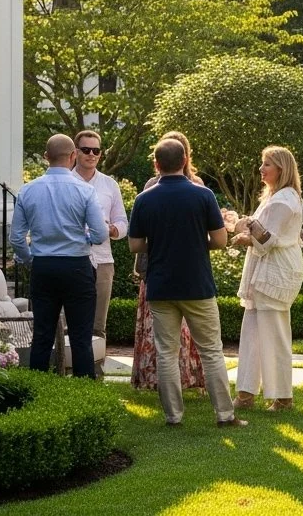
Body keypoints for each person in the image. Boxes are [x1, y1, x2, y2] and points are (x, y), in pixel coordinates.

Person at [127, 138, 245, 428]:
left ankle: (173, 416)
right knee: (211, 350)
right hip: (197, 284)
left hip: (161, 285)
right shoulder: (202, 195)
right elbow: (220, 240)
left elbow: (134, 245)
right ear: (184, 161)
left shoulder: (144, 199)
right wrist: (194, 241)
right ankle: (224, 414)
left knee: (166, 352)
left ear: (156, 164)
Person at [10, 133, 107, 378]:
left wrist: (31, 259)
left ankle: (37, 391)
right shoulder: (85, 191)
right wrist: (83, 238)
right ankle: (84, 396)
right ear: (73, 156)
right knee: (81, 337)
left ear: (46, 157)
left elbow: (16, 238)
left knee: (42, 335)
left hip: (44, 266)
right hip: (77, 266)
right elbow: (99, 234)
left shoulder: (28, 191)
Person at [231, 146, 303, 411]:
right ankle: (245, 393)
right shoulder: (275, 197)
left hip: (275, 272)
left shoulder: (284, 200)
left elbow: (267, 239)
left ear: (282, 169)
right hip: (266, 270)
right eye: (262, 163)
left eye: (267, 165)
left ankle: (283, 396)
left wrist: (244, 234)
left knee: (274, 334)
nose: (261, 169)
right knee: (252, 332)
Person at [131, 131, 207, 391]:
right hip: (183, 270)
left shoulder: (155, 190)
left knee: (166, 339)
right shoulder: (196, 189)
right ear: (184, 157)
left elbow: (136, 239)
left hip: (160, 269)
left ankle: (173, 395)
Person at [71, 129, 128, 378]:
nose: (91, 155)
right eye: (86, 150)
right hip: (72, 257)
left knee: (98, 324)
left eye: (96, 151)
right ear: (75, 152)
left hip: (103, 259)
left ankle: (97, 375)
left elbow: (124, 223)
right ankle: (67, 373)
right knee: (68, 321)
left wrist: (113, 229)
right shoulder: (67, 182)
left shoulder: (108, 184)